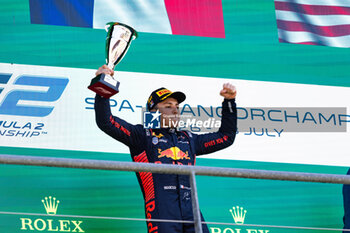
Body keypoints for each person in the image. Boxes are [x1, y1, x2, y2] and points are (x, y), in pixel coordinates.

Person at [94, 65, 238, 233]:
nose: (175, 110)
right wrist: (103, 87)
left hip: (192, 211)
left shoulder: (189, 138)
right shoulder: (142, 136)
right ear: (154, 111)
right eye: (168, 106)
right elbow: (107, 122)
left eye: (177, 106)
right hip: (161, 212)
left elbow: (226, 137)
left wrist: (229, 102)